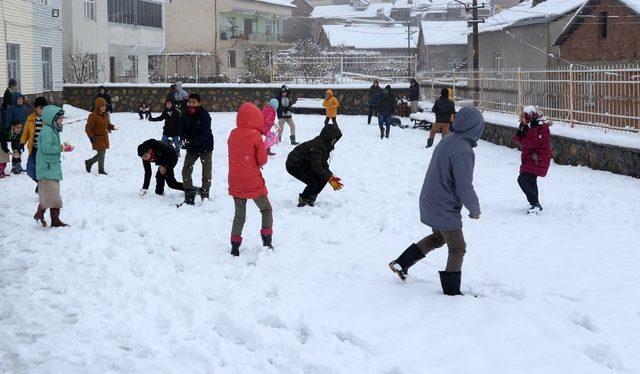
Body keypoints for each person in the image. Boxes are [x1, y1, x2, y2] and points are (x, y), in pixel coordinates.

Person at [388, 106, 484, 296]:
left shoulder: (449, 139)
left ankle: (401, 263)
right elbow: (464, 186)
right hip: (443, 204)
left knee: (438, 237)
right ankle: (451, 292)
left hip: (430, 198)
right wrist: (474, 209)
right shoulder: (463, 150)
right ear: (475, 127)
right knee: (457, 247)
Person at [227, 102, 274, 257]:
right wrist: (265, 146)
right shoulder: (255, 136)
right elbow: (262, 161)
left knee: (239, 216)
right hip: (252, 181)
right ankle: (267, 241)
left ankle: (235, 246)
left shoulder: (233, 134)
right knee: (266, 209)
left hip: (235, 181)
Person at [286, 124, 343, 207]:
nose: (335, 140)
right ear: (328, 136)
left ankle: (311, 198)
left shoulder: (325, 145)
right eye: (333, 138)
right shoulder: (318, 146)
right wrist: (330, 178)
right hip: (294, 164)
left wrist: (331, 177)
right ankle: (303, 200)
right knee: (313, 182)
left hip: (305, 163)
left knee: (324, 178)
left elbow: (322, 164)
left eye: (336, 138)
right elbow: (316, 167)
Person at [34, 105, 71, 227]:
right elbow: (46, 148)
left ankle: (53, 219)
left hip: (52, 167)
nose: (62, 120)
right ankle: (41, 215)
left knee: (53, 195)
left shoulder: (53, 130)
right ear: (52, 119)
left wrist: (62, 147)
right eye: (60, 118)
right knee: (52, 195)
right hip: (46, 168)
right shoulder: (47, 130)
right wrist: (60, 148)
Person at [513, 106, 552, 215]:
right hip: (530, 158)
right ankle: (535, 203)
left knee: (522, 179)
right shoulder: (528, 126)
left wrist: (532, 130)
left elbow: (533, 144)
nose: (521, 120)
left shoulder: (542, 128)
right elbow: (519, 140)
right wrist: (521, 129)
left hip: (538, 159)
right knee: (531, 180)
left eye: (522, 118)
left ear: (530, 117)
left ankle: (535, 203)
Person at [180, 93, 213, 205]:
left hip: (205, 146)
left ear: (199, 103)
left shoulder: (204, 115)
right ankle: (189, 193)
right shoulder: (184, 114)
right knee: (186, 170)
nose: (191, 104)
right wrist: (183, 139)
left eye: (194, 102)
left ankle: (205, 194)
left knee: (206, 172)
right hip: (192, 148)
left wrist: (192, 142)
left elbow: (205, 133)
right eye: (190, 101)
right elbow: (182, 129)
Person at [20, 96, 48, 188]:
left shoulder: (48, 119)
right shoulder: (30, 119)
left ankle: (43, 186)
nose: (42, 110)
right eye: (40, 108)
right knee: (30, 170)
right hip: (34, 149)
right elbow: (25, 134)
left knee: (43, 170)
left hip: (44, 150)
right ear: (35, 108)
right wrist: (22, 143)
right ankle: (40, 184)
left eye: (44, 108)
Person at [85, 97, 116, 175]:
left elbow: (107, 124)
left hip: (104, 137)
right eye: (102, 106)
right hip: (96, 138)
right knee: (102, 153)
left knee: (102, 153)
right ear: (98, 106)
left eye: (105, 106)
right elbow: (88, 128)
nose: (104, 108)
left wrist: (112, 127)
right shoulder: (93, 116)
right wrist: (91, 137)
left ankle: (89, 162)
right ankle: (101, 170)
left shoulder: (105, 115)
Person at [3, 92, 27, 174]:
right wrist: (8, 128)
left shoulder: (23, 108)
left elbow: (25, 118)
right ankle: (14, 165)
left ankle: (18, 164)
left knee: (19, 147)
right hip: (14, 131)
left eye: (21, 98)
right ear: (15, 99)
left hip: (21, 130)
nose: (21, 100)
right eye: (19, 99)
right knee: (15, 147)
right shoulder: (11, 108)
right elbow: (8, 119)